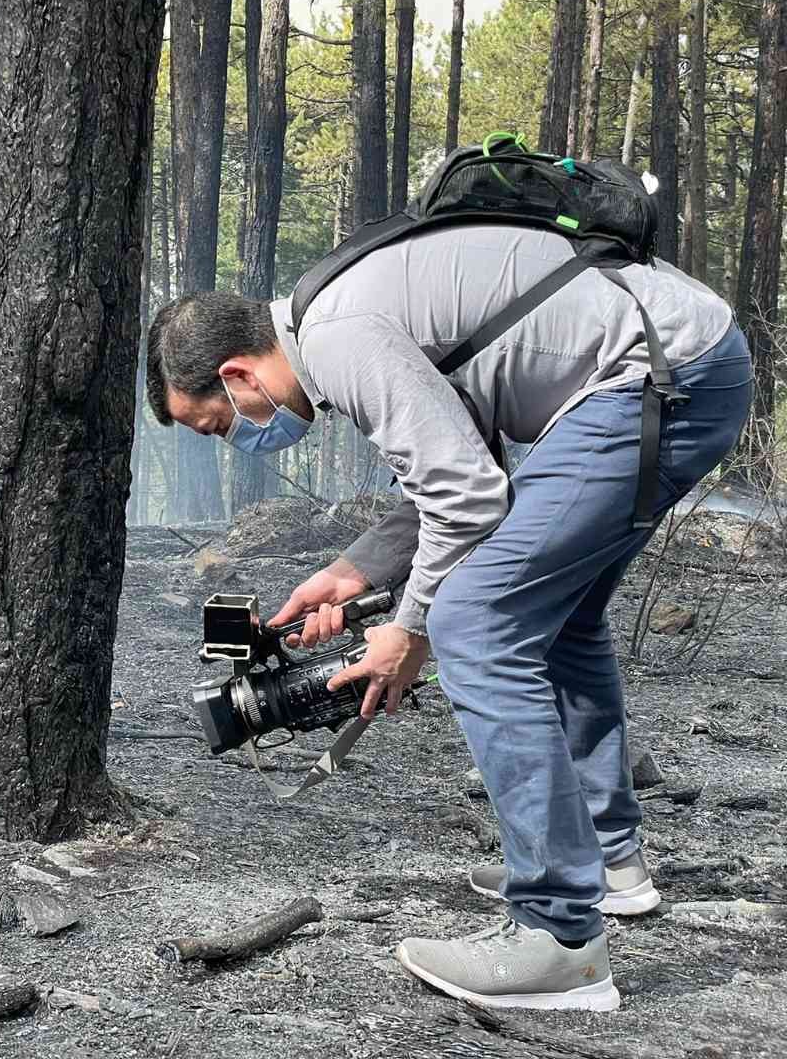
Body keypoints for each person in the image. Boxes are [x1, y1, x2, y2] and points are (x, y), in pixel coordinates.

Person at [145, 222, 749, 1012]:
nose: (239, 440)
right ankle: (604, 863)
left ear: (237, 373)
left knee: (475, 624)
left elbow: (467, 498)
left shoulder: (339, 338)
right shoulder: (335, 318)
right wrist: (350, 573)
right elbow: (466, 466)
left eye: (221, 423)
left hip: (660, 375)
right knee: (555, 620)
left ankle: (560, 938)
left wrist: (412, 628)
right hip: (682, 361)